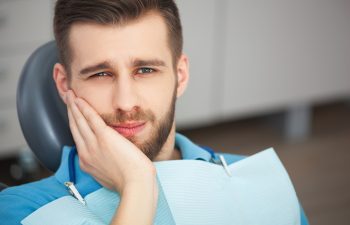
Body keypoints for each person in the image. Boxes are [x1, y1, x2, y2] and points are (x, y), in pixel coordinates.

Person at [0, 0, 309, 224]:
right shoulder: (21, 210)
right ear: (64, 84)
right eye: (100, 74)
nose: (125, 101)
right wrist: (138, 185)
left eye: (145, 70)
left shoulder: (260, 183)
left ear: (181, 75)